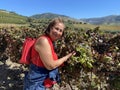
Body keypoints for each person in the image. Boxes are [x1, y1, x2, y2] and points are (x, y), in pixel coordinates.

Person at [23, 17, 75, 90]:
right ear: (50, 28)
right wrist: (67, 57)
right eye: (56, 29)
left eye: (61, 31)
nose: (58, 32)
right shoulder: (44, 41)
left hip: (39, 78)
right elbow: (50, 65)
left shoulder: (49, 40)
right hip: (37, 80)